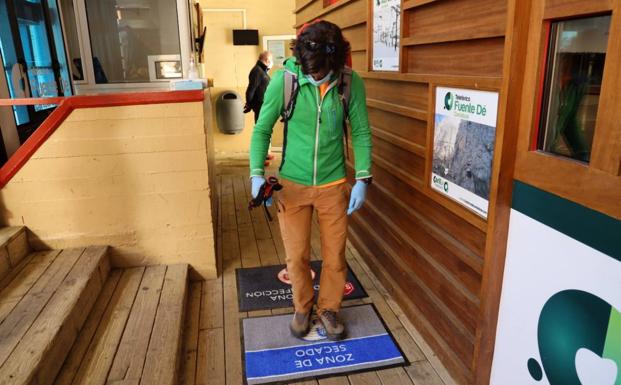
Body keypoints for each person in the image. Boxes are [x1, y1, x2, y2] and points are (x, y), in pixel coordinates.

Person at [248, 20, 372, 341]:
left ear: (336, 62)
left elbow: (359, 131)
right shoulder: (285, 81)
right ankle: (302, 307)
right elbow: (262, 129)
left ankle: (329, 308)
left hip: (333, 186)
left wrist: (363, 177)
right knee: (297, 255)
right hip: (292, 185)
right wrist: (255, 174)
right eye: (310, 72)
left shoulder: (349, 83)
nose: (315, 77)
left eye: (321, 73)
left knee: (335, 254)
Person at [244, 51, 273, 123]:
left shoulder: (262, 70)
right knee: (261, 130)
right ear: (267, 60)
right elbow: (251, 90)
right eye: (271, 60)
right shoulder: (257, 71)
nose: (272, 62)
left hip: (264, 106)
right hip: (260, 107)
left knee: (264, 130)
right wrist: (249, 105)